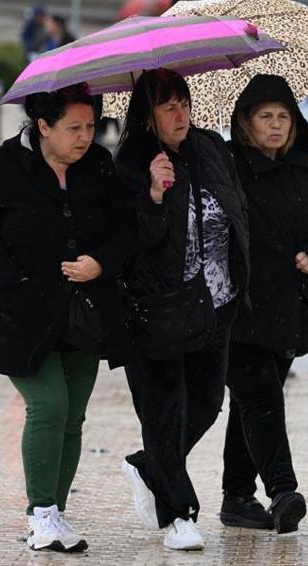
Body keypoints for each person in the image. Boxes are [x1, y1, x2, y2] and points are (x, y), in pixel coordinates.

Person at [0, 82, 134, 553]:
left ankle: (55, 513)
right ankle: (40, 514)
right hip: (21, 313)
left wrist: (100, 262)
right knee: (49, 404)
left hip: (83, 313)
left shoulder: (99, 165)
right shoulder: (4, 166)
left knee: (73, 416)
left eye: (91, 126)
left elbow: (124, 228)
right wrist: (13, 278)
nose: (85, 136)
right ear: (43, 126)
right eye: (73, 128)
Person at [114, 68, 249, 551]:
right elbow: (128, 242)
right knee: (165, 411)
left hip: (216, 302)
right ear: (147, 116)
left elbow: (236, 207)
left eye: (184, 104)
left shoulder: (210, 148)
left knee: (207, 404)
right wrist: (154, 195)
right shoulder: (129, 165)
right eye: (168, 106)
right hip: (158, 307)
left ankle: (148, 465)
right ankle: (179, 515)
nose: (180, 114)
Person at [221, 74, 308, 534]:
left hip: (290, 307)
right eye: (265, 117)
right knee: (262, 398)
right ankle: (282, 490)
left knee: (250, 402)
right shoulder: (228, 165)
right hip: (240, 306)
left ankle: (236, 496)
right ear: (246, 123)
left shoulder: (305, 167)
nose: (275, 125)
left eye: (283, 117)